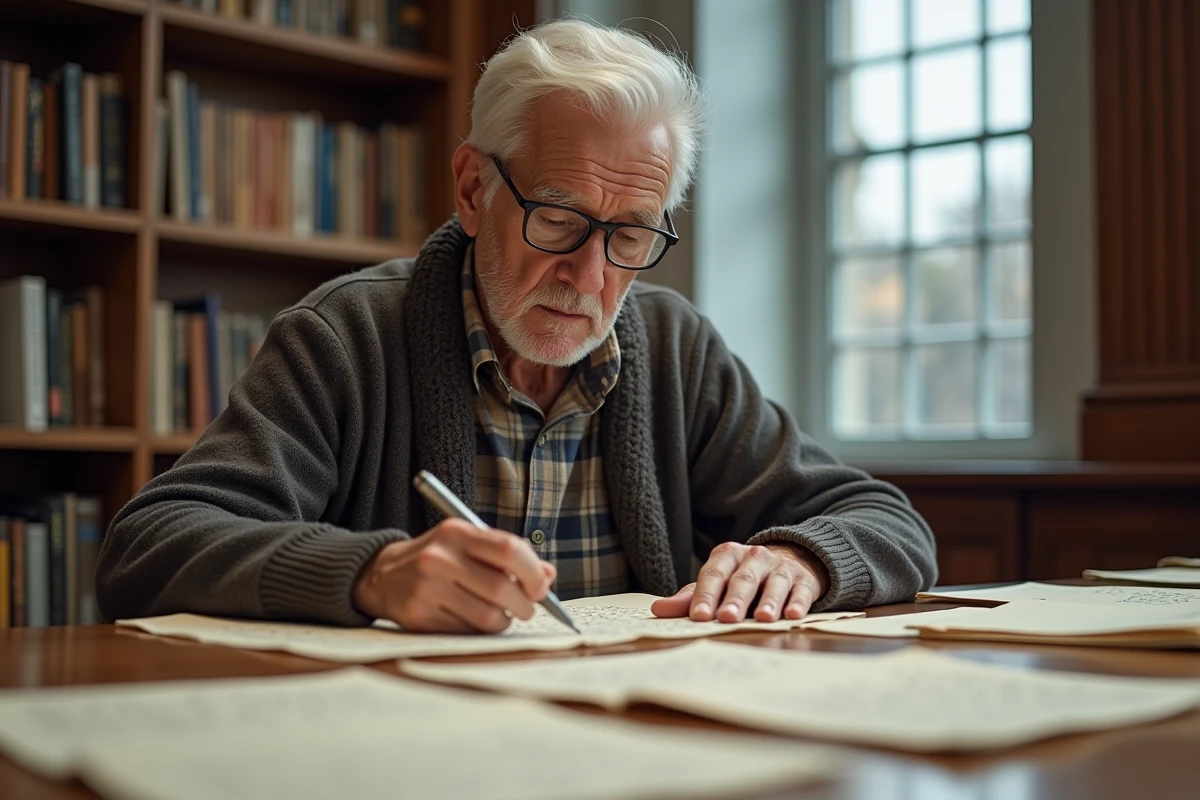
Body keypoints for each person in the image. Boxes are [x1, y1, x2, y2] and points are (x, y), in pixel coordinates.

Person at [97, 19, 936, 633]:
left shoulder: (678, 347)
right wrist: (371, 574)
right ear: (472, 190)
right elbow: (149, 547)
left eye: (632, 234)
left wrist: (802, 558)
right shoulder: (345, 337)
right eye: (559, 218)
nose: (590, 274)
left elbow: (885, 519)